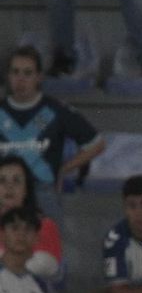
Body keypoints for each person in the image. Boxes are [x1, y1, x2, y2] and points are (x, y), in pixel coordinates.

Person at [1, 46, 104, 192]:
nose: (20, 79)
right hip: (4, 192)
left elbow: (97, 144)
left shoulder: (55, 110)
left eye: (27, 73)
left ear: (39, 77)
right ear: (8, 76)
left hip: (43, 189)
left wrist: (64, 169)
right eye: (15, 72)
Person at [0, 155, 64, 281]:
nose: (9, 186)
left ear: (26, 189)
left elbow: (46, 266)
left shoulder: (44, 225)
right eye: (2, 181)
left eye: (16, 181)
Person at [0, 208, 51, 293]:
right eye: (14, 228)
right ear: (2, 235)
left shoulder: (41, 287)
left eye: (28, 229)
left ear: (36, 238)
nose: (21, 234)